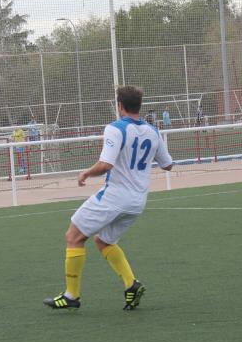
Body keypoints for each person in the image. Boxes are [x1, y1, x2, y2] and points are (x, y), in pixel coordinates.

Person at [43, 85, 173, 311]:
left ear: (120, 106)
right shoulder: (153, 131)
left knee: (73, 236)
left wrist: (86, 173)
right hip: (137, 201)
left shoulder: (115, 128)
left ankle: (71, 295)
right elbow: (168, 165)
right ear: (139, 106)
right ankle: (131, 284)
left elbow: (106, 165)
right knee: (104, 241)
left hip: (115, 196)